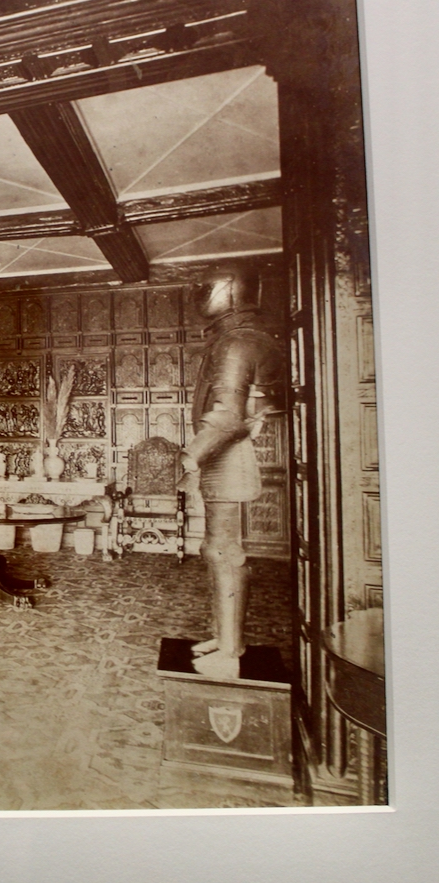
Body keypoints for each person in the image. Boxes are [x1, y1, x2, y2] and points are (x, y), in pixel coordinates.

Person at [177, 269, 285, 679]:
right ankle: (223, 637)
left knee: (224, 552)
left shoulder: (238, 342)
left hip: (229, 455)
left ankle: (231, 650)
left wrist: (190, 457)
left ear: (229, 292)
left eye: (206, 289)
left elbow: (227, 418)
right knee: (216, 549)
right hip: (224, 455)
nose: (199, 296)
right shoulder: (240, 337)